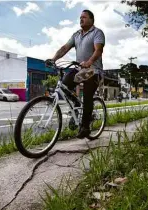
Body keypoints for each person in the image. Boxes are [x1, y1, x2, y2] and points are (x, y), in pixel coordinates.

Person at [47, 9, 105, 139]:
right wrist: (53, 59)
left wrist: (89, 61)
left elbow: (98, 50)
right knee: (64, 86)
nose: (81, 19)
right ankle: (76, 104)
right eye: (80, 18)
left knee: (88, 96)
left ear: (91, 19)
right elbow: (64, 48)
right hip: (79, 69)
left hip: (93, 70)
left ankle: (85, 127)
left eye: (84, 17)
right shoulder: (76, 35)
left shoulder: (97, 33)